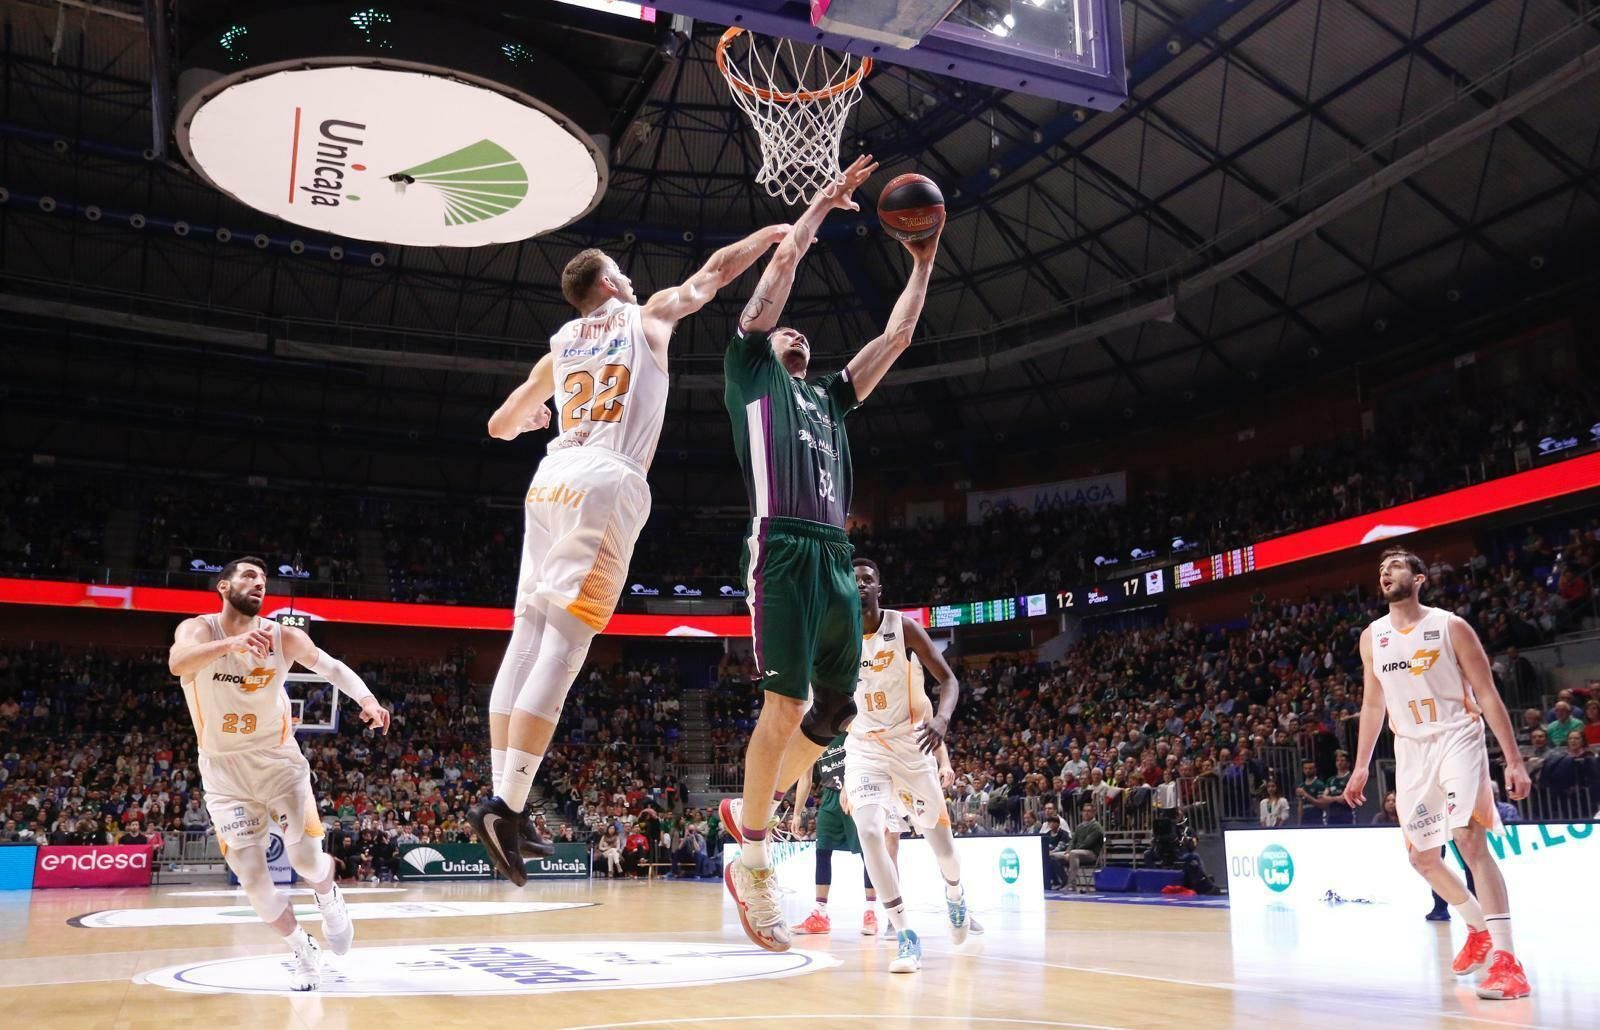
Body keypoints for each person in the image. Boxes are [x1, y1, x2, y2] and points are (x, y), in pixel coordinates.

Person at [469, 223, 790, 883]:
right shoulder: (646, 319)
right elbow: (714, 274)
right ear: (611, 283)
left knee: (525, 636)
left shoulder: (559, 347)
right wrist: (768, 236)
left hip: (548, 480)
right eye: (623, 271)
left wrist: (536, 417)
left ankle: (504, 799)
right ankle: (507, 804)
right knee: (564, 645)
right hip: (605, 482)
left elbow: (500, 426)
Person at [717, 155, 941, 954]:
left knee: (835, 711)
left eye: (803, 330)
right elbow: (778, 273)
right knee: (781, 707)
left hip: (836, 555)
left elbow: (900, 334)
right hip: (780, 546)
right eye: (787, 328)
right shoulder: (750, 374)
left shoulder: (833, 397)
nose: (796, 329)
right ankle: (752, 862)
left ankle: (752, 805)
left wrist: (924, 258)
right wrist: (815, 211)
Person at [168, 556, 392, 991]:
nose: (259, 584)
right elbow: (178, 663)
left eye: (264, 580)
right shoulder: (198, 629)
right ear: (223, 586)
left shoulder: (282, 636)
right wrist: (229, 646)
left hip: (277, 763)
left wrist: (366, 699)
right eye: (249, 576)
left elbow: (329, 666)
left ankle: (329, 898)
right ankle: (303, 950)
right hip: (223, 773)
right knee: (253, 880)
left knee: (305, 860)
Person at [1343, 547, 1532, 1001]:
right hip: (1410, 749)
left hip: (1456, 736)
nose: (1386, 573)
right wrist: (1361, 764)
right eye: (1381, 570)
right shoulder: (1373, 636)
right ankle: (1477, 927)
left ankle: (1508, 962)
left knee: (1467, 839)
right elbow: (1373, 703)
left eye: (1396, 567)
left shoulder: (1450, 626)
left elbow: (1486, 694)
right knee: (1423, 858)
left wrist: (1514, 759)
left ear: (1419, 577)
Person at [841, 558, 967, 973]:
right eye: (853, 580)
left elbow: (949, 680)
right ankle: (905, 933)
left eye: (867, 579)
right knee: (869, 830)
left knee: (943, 850)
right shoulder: (835, 635)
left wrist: (942, 720)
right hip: (863, 748)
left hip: (910, 743)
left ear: (879, 587)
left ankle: (955, 893)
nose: (859, 585)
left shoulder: (903, 627)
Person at [789, 732, 887, 936]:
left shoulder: (851, 724)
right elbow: (805, 778)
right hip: (830, 797)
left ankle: (870, 912)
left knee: (867, 853)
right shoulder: (813, 734)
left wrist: (851, 785)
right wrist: (797, 813)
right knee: (822, 852)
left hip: (857, 793)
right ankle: (820, 914)